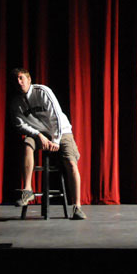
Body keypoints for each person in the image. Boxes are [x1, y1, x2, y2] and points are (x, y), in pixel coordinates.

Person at [9, 68, 87, 220]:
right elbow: (19, 124)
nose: (19, 82)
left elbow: (56, 116)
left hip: (60, 131)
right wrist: (38, 135)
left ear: (29, 79)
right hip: (39, 134)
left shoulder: (42, 92)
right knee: (27, 144)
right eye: (16, 80)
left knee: (70, 162)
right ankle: (27, 190)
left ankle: (77, 207)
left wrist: (56, 140)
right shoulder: (15, 102)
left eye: (21, 78)